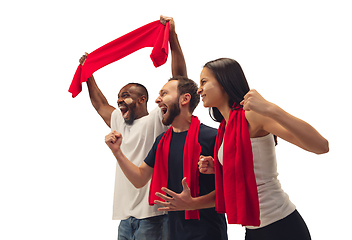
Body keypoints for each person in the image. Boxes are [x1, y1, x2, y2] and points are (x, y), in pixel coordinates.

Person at [197, 58, 329, 240]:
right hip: (254, 229)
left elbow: (321, 146)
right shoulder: (225, 128)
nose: (199, 89)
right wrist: (220, 166)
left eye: (204, 81)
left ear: (224, 82)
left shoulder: (252, 116)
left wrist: (271, 109)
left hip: (282, 226)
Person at [81, 16, 187, 240]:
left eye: (126, 96)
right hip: (125, 218)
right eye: (118, 97)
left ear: (142, 100)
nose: (119, 101)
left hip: (153, 217)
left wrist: (172, 38)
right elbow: (100, 104)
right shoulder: (119, 120)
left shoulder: (157, 120)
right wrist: (87, 74)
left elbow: (180, 83)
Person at [105, 76, 228, 240]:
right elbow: (140, 179)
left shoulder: (212, 137)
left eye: (164, 94)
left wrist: (193, 204)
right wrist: (117, 152)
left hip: (207, 233)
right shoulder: (162, 141)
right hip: (172, 232)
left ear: (185, 98)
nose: (157, 100)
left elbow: (233, 190)